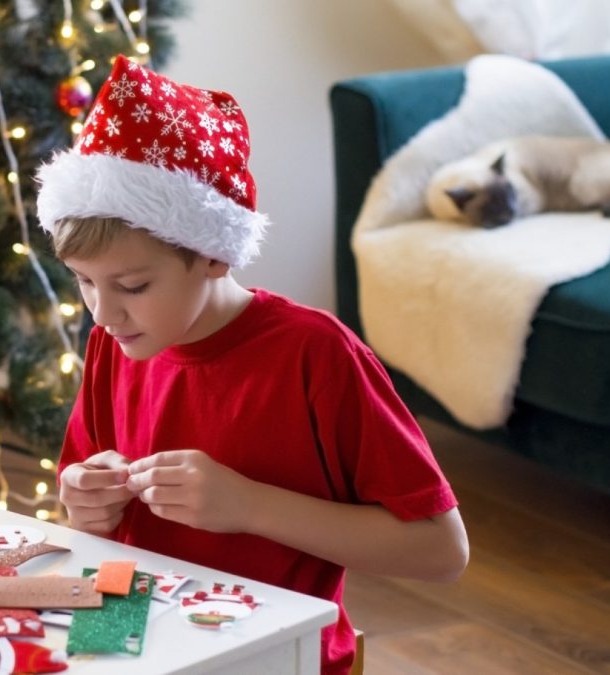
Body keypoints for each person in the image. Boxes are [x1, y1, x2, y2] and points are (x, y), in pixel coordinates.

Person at [36, 56, 469, 675]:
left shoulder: (314, 354)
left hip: (268, 649)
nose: (102, 312)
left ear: (213, 254)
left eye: (132, 285)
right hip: (128, 638)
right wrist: (82, 504)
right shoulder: (116, 340)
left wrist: (247, 506)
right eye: (83, 282)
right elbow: (80, 506)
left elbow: (441, 551)